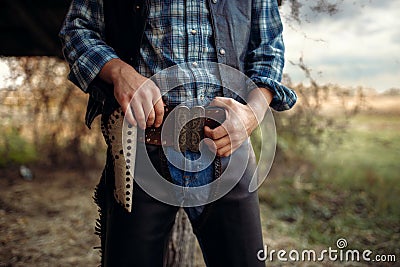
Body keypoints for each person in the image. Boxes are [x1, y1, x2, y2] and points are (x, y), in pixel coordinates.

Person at [59, 0, 297, 266]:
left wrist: (251, 114)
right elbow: (77, 29)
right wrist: (119, 72)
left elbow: (268, 51)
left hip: (228, 150)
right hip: (139, 148)